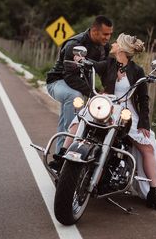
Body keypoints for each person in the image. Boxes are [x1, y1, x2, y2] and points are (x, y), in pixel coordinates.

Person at [57, 33, 156, 211]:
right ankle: (61, 158)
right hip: (105, 104)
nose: (113, 44)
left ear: (122, 49)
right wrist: (80, 60)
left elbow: (143, 99)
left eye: (116, 42)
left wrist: (144, 123)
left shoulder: (137, 71)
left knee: (147, 147)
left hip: (126, 110)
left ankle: (154, 192)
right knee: (80, 120)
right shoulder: (108, 63)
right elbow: (92, 65)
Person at [46, 15, 113, 155]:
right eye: (105, 34)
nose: (108, 38)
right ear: (94, 31)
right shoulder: (75, 44)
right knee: (74, 97)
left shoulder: (104, 47)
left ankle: (61, 156)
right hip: (58, 82)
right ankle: (64, 153)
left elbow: (103, 71)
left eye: (110, 34)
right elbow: (69, 77)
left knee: (79, 114)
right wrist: (93, 93)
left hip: (80, 85)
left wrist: (108, 92)